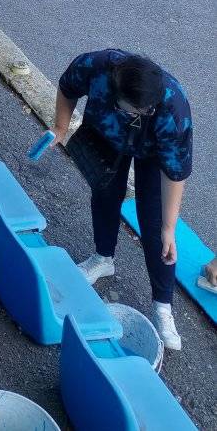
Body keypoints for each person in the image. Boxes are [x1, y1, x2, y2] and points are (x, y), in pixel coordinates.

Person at [51, 50, 192, 351]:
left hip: (153, 154)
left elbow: (175, 172)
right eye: (136, 110)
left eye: (147, 110)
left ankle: (163, 305)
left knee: (155, 226)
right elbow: (67, 86)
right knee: (105, 193)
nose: (143, 113)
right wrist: (60, 128)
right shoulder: (96, 67)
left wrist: (169, 227)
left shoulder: (173, 108)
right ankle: (103, 259)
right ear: (117, 96)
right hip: (107, 133)